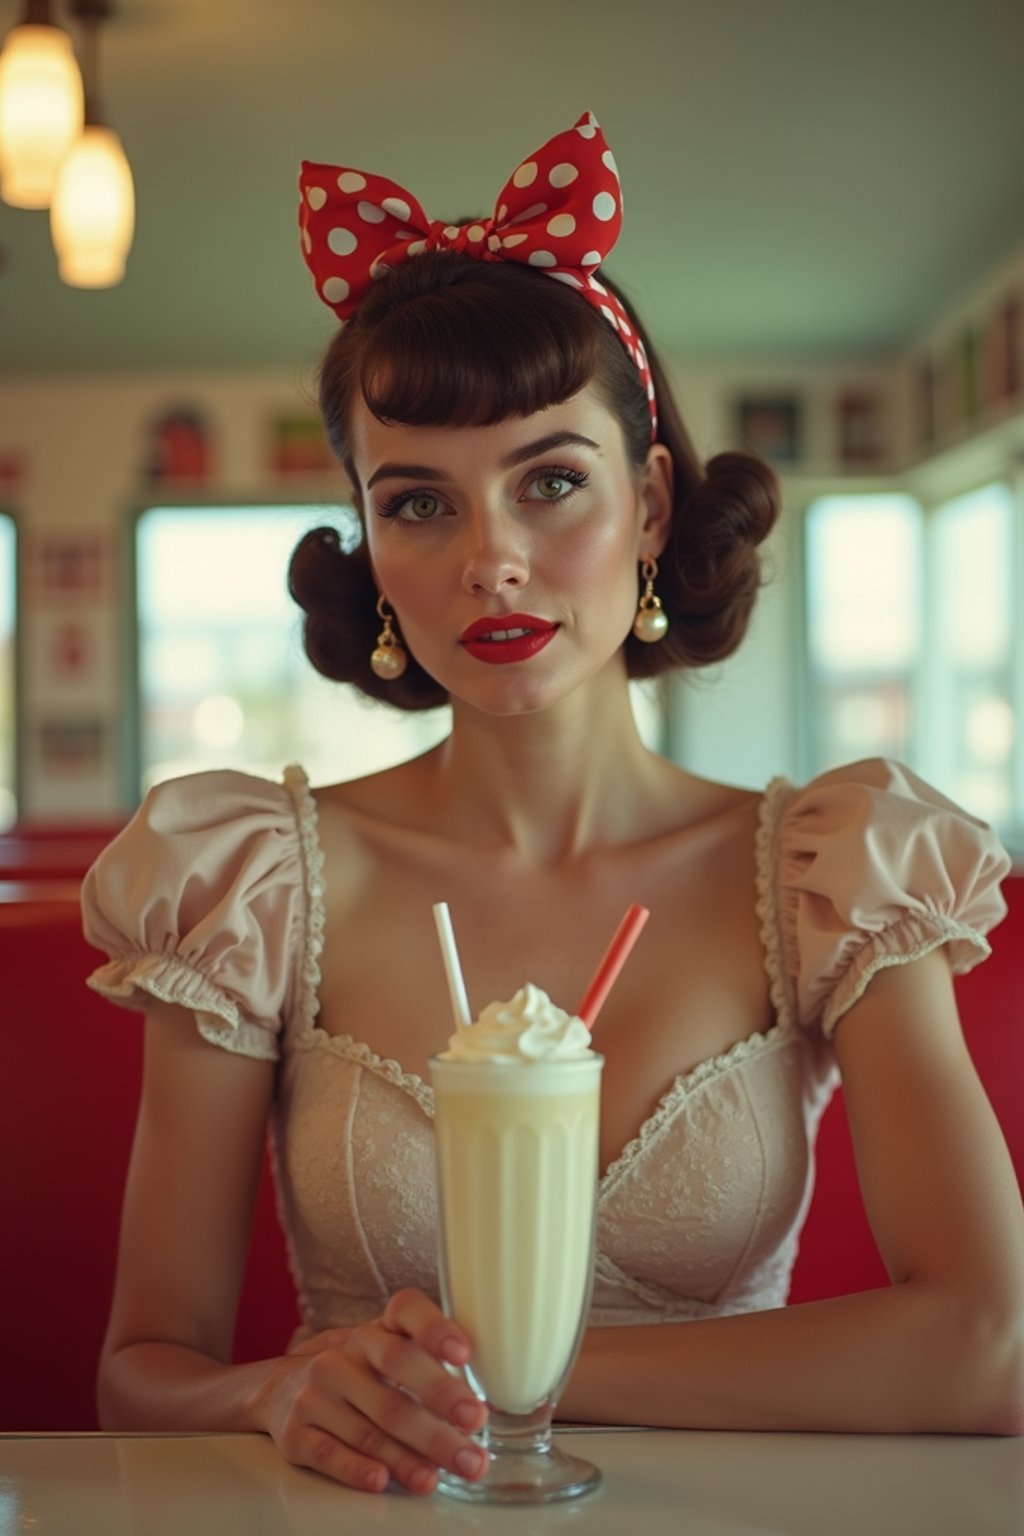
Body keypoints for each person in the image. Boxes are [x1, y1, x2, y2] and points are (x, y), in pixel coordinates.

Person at [81, 110, 1024, 1496]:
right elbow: (138, 1371)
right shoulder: (254, 882)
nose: (493, 561)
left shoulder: (830, 870)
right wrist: (280, 1392)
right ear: (370, 542)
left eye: (552, 483)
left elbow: (991, 1345)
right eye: (418, 504)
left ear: (649, 505)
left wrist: (518, 1371)